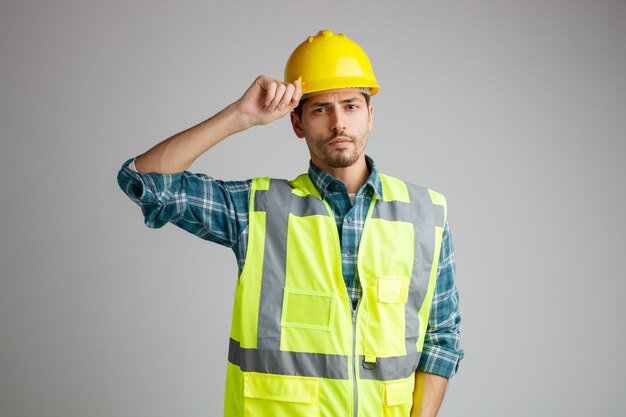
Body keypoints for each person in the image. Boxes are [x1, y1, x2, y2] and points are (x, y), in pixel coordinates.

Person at [118, 30, 463, 417]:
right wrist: (239, 116)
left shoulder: (427, 213)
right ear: (296, 123)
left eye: (350, 105)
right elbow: (146, 181)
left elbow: (441, 338)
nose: (338, 123)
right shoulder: (257, 210)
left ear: (370, 114)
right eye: (320, 109)